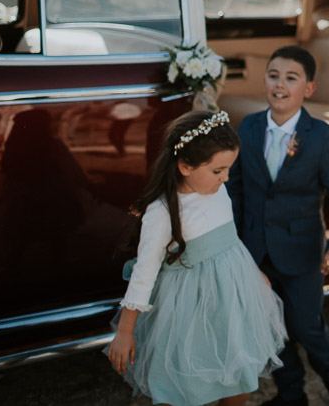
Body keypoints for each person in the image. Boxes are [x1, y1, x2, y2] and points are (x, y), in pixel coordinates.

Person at [106, 109, 287, 406]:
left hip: (232, 293)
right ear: (185, 166)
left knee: (237, 363)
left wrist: (252, 273)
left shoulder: (218, 189)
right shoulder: (163, 211)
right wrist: (125, 331)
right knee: (186, 375)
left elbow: (229, 239)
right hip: (189, 303)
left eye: (229, 168)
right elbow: (144, 272)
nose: (226, 177)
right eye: (218, 171)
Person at [228, 45, 329, 406]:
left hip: (302, 255)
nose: (279, 85)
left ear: (309, 88)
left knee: (306, 327)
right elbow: (236, 188)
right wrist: (235, 243)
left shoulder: (318, 136)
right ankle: (291, 395)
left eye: (291, 78)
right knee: (270, 329)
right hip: (255, 250)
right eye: (273, 75)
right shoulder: (249, 127)